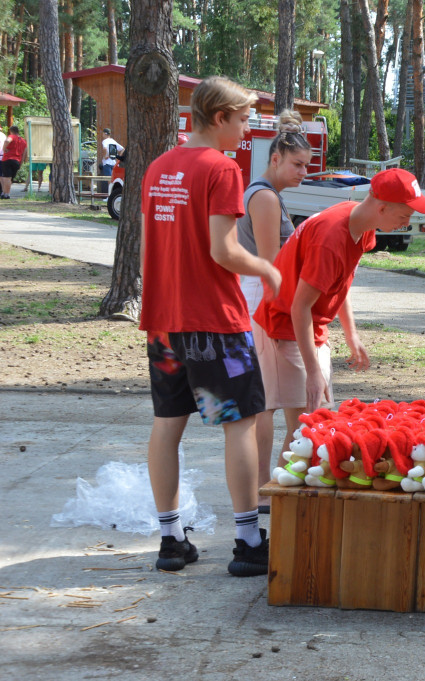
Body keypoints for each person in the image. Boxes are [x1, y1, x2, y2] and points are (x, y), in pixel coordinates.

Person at [139, 76, 282, 577]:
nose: (246, 131)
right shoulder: (221, 169)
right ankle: (246, 542)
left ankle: (171, 540)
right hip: (215, 324)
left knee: (167, 425)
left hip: (164, 323)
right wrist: (266, 268)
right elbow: (223, 250)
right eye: (243, 120)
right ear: (219, 117)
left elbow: (146, 249)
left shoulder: (158, 168)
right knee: (239, 425)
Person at [254, 168, 425, 472]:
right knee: (305, 420)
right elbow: (300, 307)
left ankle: (287, 486)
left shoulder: (363, 225)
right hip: (282, 322)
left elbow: (340, 282)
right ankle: (265, 493)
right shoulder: (331, 238)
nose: (409, 221)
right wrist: (313, 371)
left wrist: (352, 334)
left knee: (316, 416)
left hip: (310, 325)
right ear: (381, 208)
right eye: (405, 215)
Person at [235, 110, 311, 510]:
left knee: (266, 397)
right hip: (261, 298)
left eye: (307, 165)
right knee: (263, 400)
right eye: (297, 164)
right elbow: (269, 264)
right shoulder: (263, 196)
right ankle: (263, 483)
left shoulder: (270, 195)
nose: (303, 172)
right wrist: (281, 314)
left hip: (263, 296)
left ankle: (264, 482)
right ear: (276, 157)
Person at [1, 125, 27, 199]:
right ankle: (5, 193)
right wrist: (20, 164)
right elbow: (24, 154)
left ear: (11, 131)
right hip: (17, 161)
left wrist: (4, 148)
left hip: (7, 159)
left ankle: (6, 194)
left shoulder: (12, 136)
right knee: (10, 178)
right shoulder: (23, 141)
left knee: (6, 178)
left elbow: (7, 140)